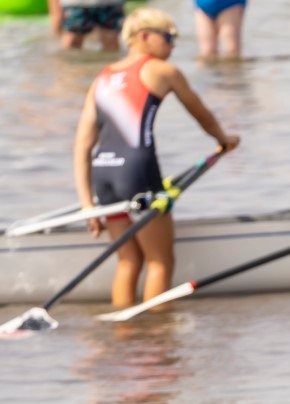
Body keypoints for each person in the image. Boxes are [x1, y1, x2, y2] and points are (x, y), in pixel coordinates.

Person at [73, 8, 240, 309]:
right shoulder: (162, 71)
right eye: (170, 37)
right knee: (160, 260)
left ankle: (125, 333)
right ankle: (154, 332)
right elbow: (200, 113)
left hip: (104, 176)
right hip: (137, 172)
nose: (174, 46)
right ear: (144, 36)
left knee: (128, 261)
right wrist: (223, 140)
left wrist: (88, 205)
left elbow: (82, 145)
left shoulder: (102, 78)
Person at [48, 0, 123, 51]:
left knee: (111, 41)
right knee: (72, 42)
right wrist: (56, 13)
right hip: (75, 3)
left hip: (110, 3)